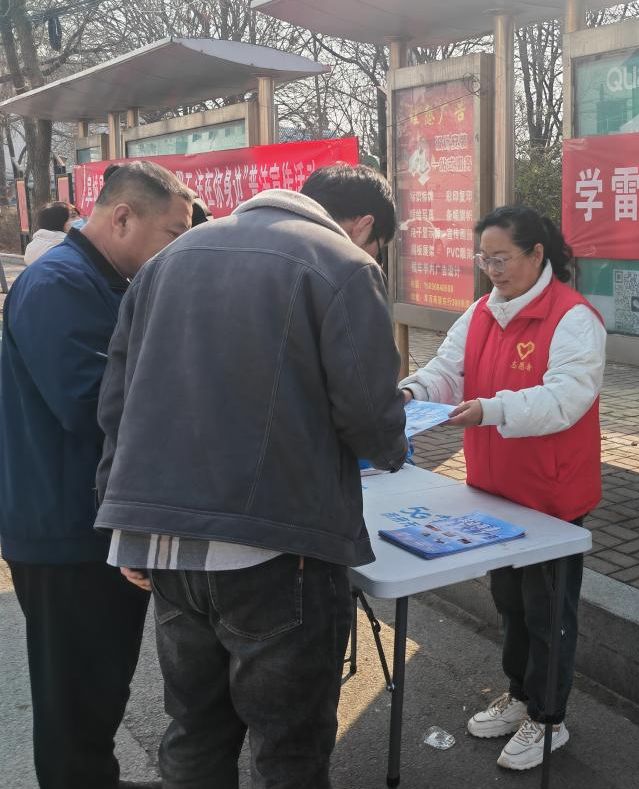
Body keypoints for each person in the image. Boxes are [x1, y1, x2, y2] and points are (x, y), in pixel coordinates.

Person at [95, 163, 407, 789]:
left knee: (195, 732)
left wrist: (120, 515)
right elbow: (369, 414)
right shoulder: (343, 264)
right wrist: (390, 450)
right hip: (276, 550)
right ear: (363, 227)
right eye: (378, 245)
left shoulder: (165, 261)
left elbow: (118, 404)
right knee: (288, 749)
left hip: (167, 547)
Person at [0, 161, 193, 789]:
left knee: (98, 689)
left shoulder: (100, 279)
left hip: (85, 518)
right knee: (75, 702)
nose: (178, 249)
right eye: (173, 233)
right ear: (123, 217)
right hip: (65, 528)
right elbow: (95, 404)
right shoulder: (59, 283)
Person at [398, 205, 606, 771]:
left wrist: (491, 409)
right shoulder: (482, 311)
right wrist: (412, 393)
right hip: (494, 489)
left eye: (501, 258)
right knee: (510, 604)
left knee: (548, 611)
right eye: (484, 259)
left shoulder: (573, 317)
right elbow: (448, 369)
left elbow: (565, 398)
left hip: (551, 496)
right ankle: (519, 695)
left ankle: (549, 717)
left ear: (537, 254)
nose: (491, 269)